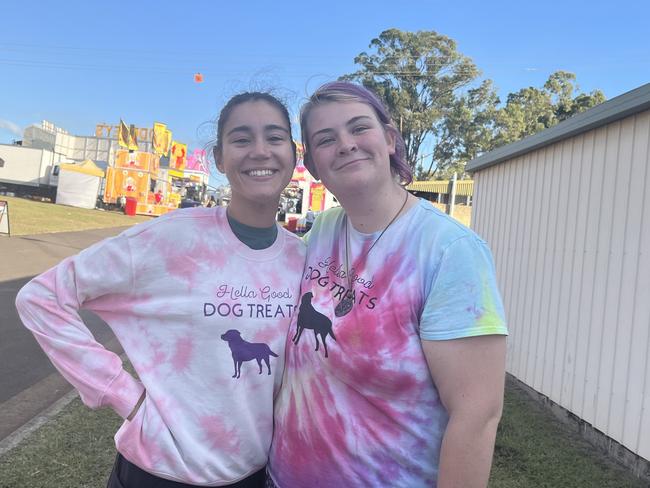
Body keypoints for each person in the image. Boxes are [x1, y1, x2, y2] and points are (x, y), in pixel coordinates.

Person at [15, 92, 305, 488]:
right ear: (219, 159)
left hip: (254, 472)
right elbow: (41, 298)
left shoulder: (303, 258)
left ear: (294, 152)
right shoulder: (169, 237)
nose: (260, 151)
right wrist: (120, 394)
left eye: (274, 138)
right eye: (241, 139)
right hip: (159, 471)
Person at [268, 82, 508, 488]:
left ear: (390, 139)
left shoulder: (448, 250)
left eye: (359, 128)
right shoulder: (322, 232)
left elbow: (477, 415)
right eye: (326, 139)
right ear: (313, 165)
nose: (345, 145)